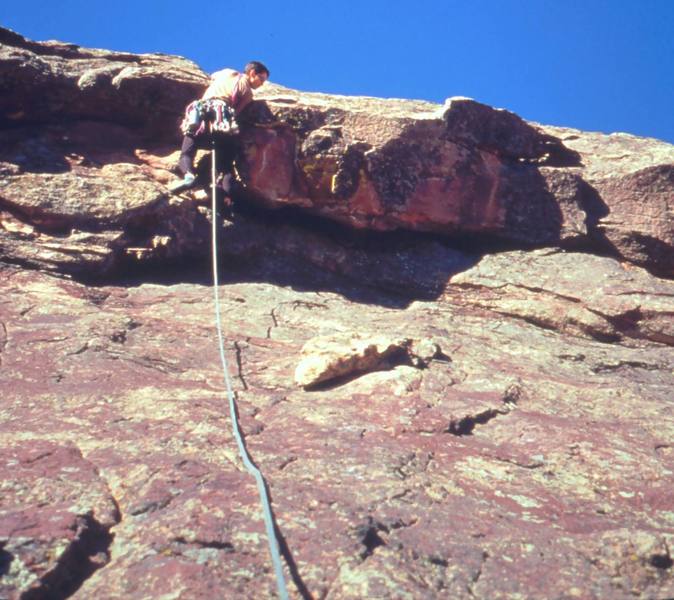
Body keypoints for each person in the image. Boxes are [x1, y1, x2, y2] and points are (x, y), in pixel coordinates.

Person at [169, 61, 270, 193]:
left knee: (188, 149)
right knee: (226, 163)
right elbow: (236, 111)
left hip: (200, 115)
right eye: (261, 78)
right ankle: (225, 197)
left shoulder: (227, 72)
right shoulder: (248, 94)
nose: (261, 83)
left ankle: (188, 175)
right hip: (222, 119)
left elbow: (213, 76)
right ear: (252, 73)